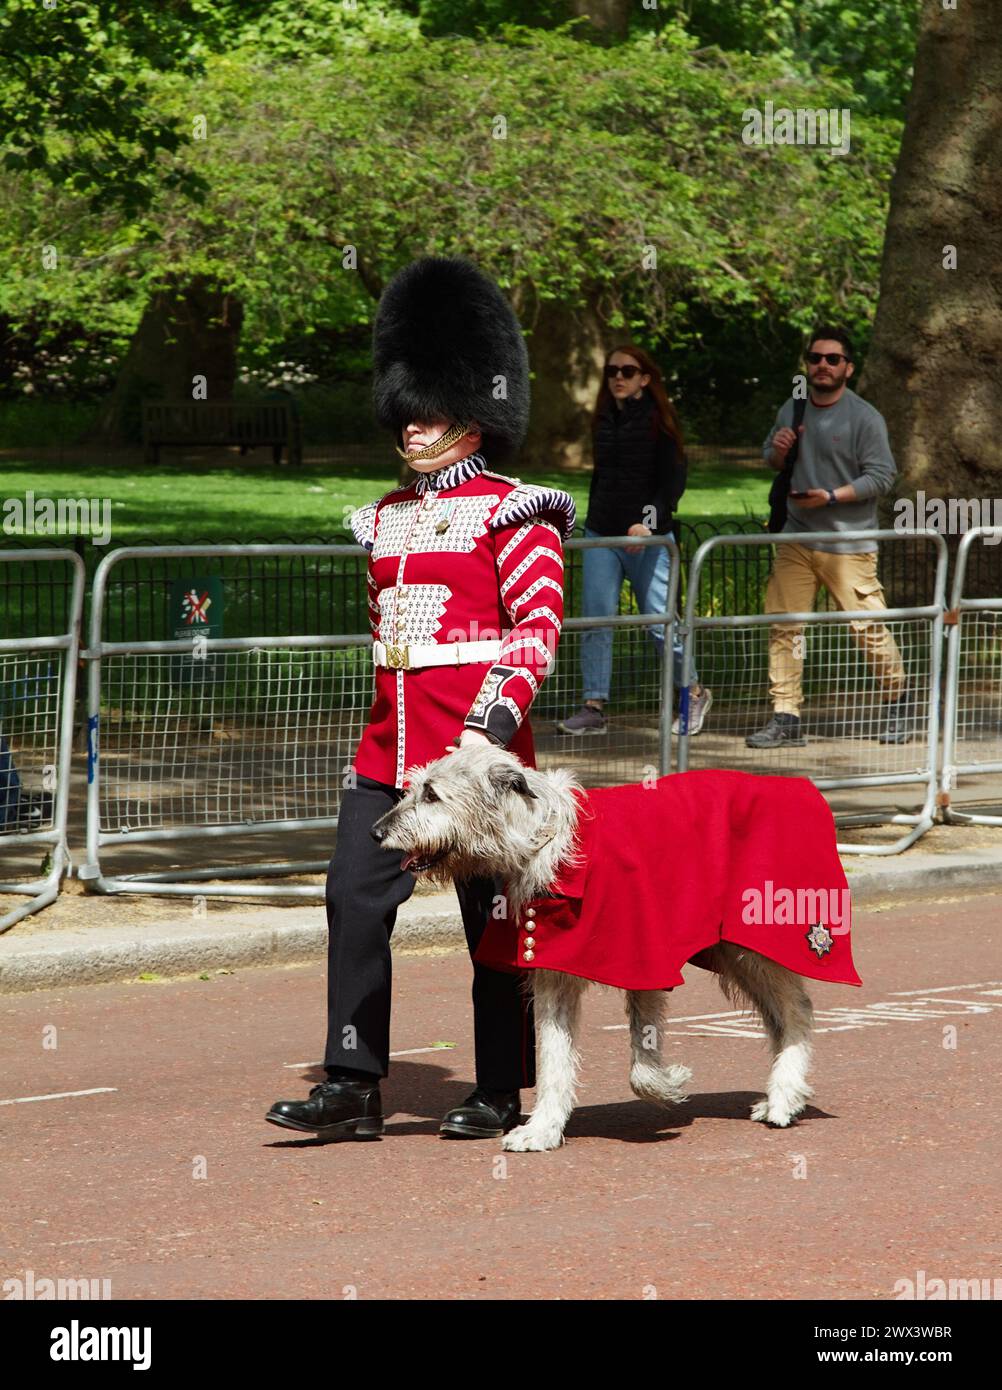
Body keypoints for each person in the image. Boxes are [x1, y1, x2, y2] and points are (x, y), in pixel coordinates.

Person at [266, 256, 575, 1142]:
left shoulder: (516, 510)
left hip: (473, 758)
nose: (411, 429)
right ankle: (352, 1081)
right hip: (388, 755)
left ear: (474, 415)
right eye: (405, 412)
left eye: (429, 412)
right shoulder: (386, 518)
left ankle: (499, 1089)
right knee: (352, 901)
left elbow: (536, 629)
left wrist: (486, 733)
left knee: (493, 924)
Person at [746, 326, 908, 749]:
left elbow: (883, 476)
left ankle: (897, 703)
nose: (822, 365)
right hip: (797, 536)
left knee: (868, 629)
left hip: (849, 542)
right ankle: (786, 717)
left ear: (847, 368)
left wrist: (832, 497)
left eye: (832, 359)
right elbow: (771, 458)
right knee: (785, 627)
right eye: (815, 358)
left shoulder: (864, 417)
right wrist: (779, 450)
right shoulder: (793, 408)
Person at [556, 345, 711, 738]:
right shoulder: (605, 419)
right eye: (612, 372)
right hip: (602, 532)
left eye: (628, 370)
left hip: (649, 537)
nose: (618, 377)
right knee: (597, 619)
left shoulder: (660, 422)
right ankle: (593, 706)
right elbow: (603, 478)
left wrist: (648, 524)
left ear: (645, 378)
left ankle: (691, 691)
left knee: (660, 624)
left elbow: (672, 482)